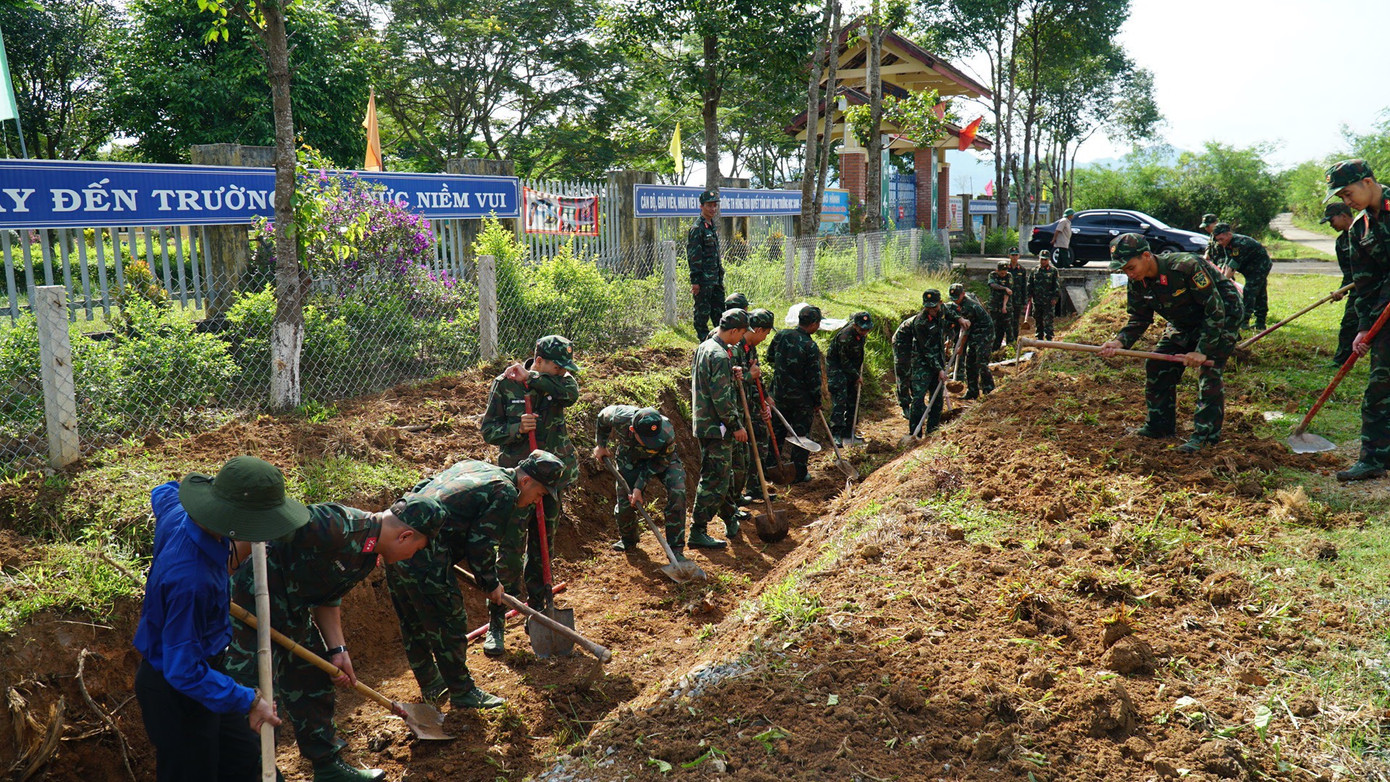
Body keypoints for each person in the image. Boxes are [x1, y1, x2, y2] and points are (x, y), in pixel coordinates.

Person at [225, 499, 446, 782]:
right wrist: (224, 572)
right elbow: (266, 518)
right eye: (417, 548)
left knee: (314, 682)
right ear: (405, 535)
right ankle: (258, 774)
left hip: (291, 616)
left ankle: (328, 767)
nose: (412, 556)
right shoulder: (336, 525)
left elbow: (328, 595)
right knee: (254, 703)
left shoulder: (367, 555)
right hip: (248, 615)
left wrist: (337, 649)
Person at [133, 455, 309, 782]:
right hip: (177, 692)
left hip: (207, 673)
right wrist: (249, 698)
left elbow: (164, 491)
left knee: (247, 763)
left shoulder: (179, 512)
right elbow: (182, 670)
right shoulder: (192, 582)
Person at [384, 452, 563, 708]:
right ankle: (462, 692)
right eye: (541, 493)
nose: (538, 501)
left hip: (397, 540)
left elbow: (422, 487)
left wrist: (392, 533)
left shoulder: (475, 467)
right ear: (525, 482)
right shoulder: (506, 492)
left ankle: (432, 684)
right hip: (426, 555)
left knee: (412, 620)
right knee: (451, 621)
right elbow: (481, 545)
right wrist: (490, 583)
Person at [479, 335, 579, 654]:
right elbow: (488, 430)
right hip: (517, 483)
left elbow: (571, 393)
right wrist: (516, 430)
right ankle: (497, 622)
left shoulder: (556, 383)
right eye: (557, 366)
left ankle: (539, 610)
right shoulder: (505, 385)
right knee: (508, 552)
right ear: (539, 359)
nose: (563, 372)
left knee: (542, 547)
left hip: (548, 481)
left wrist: (535, 379)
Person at [1099, 233, 1242, 454]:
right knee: (1157, 366)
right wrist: (1119, 342)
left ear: (1146, 256)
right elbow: (1139, 318)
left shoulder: (1185, 267)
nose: (1128, 273)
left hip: (1222, 316)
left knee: (1209, 371)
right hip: (1183, 321)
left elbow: (1215, 311)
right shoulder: (1137, 281)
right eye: (1123, 270)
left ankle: (1204, 438)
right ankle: (1159, 425)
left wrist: (1202, 351)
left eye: (1130, 267)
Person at [1326, 159, 1390, 481]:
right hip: (1385, 312)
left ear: (1367, 182)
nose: (1345, 201)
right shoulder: (1358, 229)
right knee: (1380, 385)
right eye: (1341, 196)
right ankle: (1374, 457)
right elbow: (1364, 282)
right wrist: (1365, 325)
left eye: (1348, 193)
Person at [690, 308, 749, 548]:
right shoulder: (720, 356)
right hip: (717, 427)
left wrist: (730, 372)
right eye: (742, 333)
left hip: (706, 423)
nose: (741, 338)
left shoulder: (706, 347)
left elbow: (710, 380)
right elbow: (722, 399)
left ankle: (729, 514)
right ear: (734, 331)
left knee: (722, 475)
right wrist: (735, 425)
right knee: (714, 479)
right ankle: (698, 530)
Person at [593, 405, 687, 556]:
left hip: (662, 460)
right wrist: (601, 445)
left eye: (653, 439)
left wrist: (639, 486)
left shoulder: (667, 431)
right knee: (625, 502)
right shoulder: (620, 417)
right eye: (646, 440)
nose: (650, 443)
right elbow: (602, 417)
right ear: (632, 430)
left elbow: (661, 462)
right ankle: (628, 540)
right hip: (630, 458)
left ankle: (675, 549)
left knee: (678, 491)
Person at [894, 290, 967, 436]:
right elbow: (925, 350)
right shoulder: (920, 323)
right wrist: (939, 369)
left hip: (937, 357)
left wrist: (960, 320)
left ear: (940, 303)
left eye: (934, 307)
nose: (932, 311)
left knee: (937, 397)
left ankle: (932, 431)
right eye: (928, 308)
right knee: (919, 398)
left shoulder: (941, 310)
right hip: (922, 361)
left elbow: (951, 313)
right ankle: (915, 434)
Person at [768, 304, 824, 483]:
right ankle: (798, 473)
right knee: (801, 436)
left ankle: (770, 468)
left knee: (775, 433)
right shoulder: (810, 346)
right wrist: (817, 401)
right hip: (802, 401)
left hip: (778, 396)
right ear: (814, 324)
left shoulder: (781, 335)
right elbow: (814, 379)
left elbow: (769, 357)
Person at [740, 308, 778, 504]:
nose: (765, 339)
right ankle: (737, 495)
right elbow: (734, 381)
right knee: (741, 452)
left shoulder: (750, 347)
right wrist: (749, 376)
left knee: (761, 440)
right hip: (738, 407)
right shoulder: (736, 347)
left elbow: (756, 377)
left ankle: (756, 487)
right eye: (766, 333)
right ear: (758, 329)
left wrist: (764, 400)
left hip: (752, 402)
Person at [1212, 223, 1272, 331]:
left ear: (1228, 235)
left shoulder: (1239, 243)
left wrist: (1222, 283)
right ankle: (1260, 323)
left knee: (1250, 291)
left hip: (1260, 267)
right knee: (1260, 293)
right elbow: (1227, 263)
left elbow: (1232, 267)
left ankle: (1244, 322)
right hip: (1249, 269)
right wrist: (1222, 277)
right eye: (1218, 240)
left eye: (1221, 239)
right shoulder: (1228, 244)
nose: (1220, 242)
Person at [826, 311, 873, 446]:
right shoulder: (844, 337)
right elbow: (844, 361)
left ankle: (849, 432)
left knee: (853, 400)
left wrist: (856, 373)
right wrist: (856, 375)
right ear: (855, 326)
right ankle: (836, 433)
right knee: (840, 401)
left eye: (867, 328)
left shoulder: (861, 335)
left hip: (851, 369)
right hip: (838, 370)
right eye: (862, 329)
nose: (865, 331)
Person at [945, 283, 995, 398]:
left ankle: (989, 389)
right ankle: (972, 391)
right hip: (973, 333)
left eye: (957, 298)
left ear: (963, 294)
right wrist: (951, 341)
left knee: (981, 362)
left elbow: (965, 332)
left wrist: (961, 348)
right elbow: (957, 327)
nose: (955, 301)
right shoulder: (955, 305)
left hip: (984, 334)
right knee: (970, 363)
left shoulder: (969, 306)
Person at [1324, 201, 1358, 365]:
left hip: (1382, 288)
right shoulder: (1341, 243)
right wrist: (1342, 291)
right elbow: (1348, 273)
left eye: (1332, 221)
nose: (1331, 225)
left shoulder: (1367, 230)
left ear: (1343, 216)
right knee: (1348, 324)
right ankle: (1341, 361)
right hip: (1359, 290)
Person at [688, 190, 725, 341]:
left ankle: (721, 339)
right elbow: (694, 256)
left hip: (715, 278)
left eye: (714, 205)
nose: (712, 209)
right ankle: (703, 340)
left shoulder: (711, 226)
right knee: (702, 313)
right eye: (709, 205)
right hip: (703, 280)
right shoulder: (697, 229)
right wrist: (695, 281)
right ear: (701, 206)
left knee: (719, 312)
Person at [1029, 251, 1062, 341]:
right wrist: (1028, 296)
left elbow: (1056, 286)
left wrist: (1055, 298)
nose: (1043, 261)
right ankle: (1039, 337)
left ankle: (1049, 337)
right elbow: (1030, 284)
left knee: (1048, 320)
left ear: (1049, 260)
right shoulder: (1034, 270)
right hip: (1037, 300)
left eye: (1045, 259)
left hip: (1048, 300)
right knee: (1037, 319)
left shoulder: (1053, 271)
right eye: (1042, 259)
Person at [987, 260, 1013, 351]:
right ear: (997, 270)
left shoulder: (1009, 276)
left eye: (1005, 271)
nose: (1004, 274)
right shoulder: (992, 275)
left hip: (1006, 306)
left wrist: (1004, 306)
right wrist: (1004, 288)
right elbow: (992, 284)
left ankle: (1011, 349)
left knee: (1008, 328)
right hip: (994, 306)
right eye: (1002, 272)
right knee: (994, 328)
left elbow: (1008, 292)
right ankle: (993, 349)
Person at [1005, 251, 1029, 344]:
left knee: (1015, 322)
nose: (1014, 257)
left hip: (1017, 300)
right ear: (1009, 256)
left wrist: (1024, 301)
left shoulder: (1022, 270)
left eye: (1016, 255)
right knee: (1007, 321)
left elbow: (1024, 286)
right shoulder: (1005, 268)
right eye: (1012, 255)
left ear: (1019, 256)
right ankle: (1008, 341)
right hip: (1007, 300)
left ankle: (1014, 341)